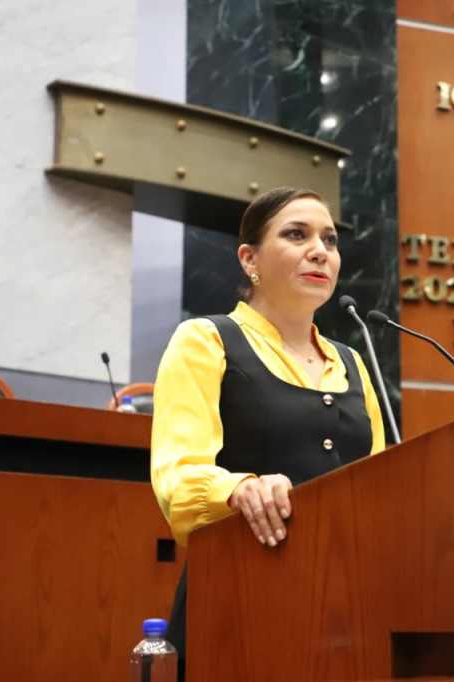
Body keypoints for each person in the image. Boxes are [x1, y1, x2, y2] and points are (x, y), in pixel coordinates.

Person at [149, 186, 386, 678]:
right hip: (238, 601)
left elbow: (382, 484)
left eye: (329, 240)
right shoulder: (206, 340)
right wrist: (240, 489)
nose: (320, 250)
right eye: (297, 235)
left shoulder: (353, 362)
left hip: (346, 610)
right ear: (249, 259)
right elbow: (177, 475)